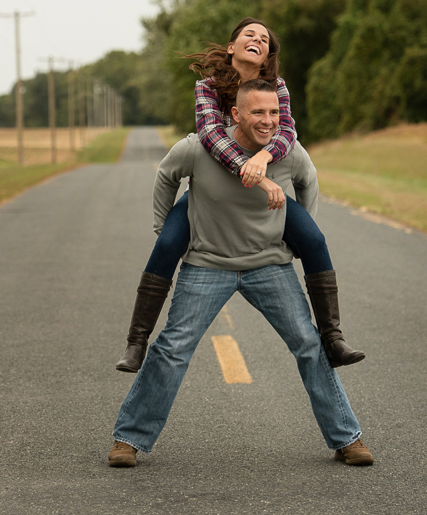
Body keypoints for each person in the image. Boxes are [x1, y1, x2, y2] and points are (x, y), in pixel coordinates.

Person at [108, 79, 373, 468]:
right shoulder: (199, 147)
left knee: (308, 343)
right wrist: (163, 228)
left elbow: (308, 182)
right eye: (257, 113)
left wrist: (294, 238)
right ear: (236, 113)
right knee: (172, 349)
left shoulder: (287, 151)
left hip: (269, 265)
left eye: (273, 113)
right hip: (207, 265)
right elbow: (166, 175)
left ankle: (347, 439)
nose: (267, 121)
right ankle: (128, 439)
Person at [116, 17, 363, 373]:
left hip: (264, 191)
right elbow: (211, 137)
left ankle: (333, 338)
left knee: (314, 239)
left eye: (265, 39)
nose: (258, 40)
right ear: (232, 46)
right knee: (168, 244)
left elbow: (287, 134)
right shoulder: (208, 87)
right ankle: (136, 342)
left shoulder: (277, 87)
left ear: (266, 57)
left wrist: (263, 158)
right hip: (213, 193)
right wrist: (258, 176)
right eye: (250, 34)